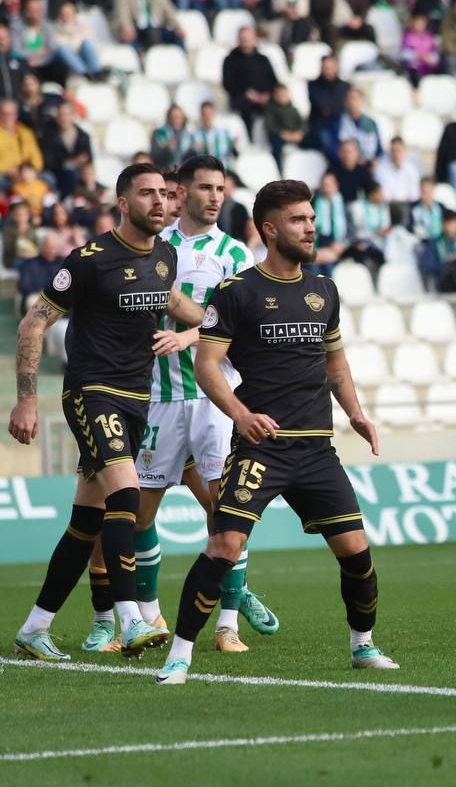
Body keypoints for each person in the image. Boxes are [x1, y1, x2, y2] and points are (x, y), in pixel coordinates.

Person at [156, 178, 395, 683]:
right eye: (298, 220)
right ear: (270, 229)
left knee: (356, 551)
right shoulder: (237, 292)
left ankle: (363, 646)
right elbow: (207, 365)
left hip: (316, 450)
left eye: (311, 219)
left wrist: (356, 413)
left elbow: (336, 364)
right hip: (260, 449)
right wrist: (241, 415)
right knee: (224, 546)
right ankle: (180, 654)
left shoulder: (323, 290)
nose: (310, 227)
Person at [10, 163, 206, 662]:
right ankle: (132, 617)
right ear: (123, 203)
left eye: (164, 193)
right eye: (147, 194)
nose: (159, 202)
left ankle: (35, 627)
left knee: (88, 520)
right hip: (91, 392)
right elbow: (33, 325)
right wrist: (27, 400)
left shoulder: (164, 255)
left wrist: (206, 324)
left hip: (136, 399)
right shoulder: (89, 261)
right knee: (127, 492)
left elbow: (174, 301)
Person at [94, 155, 278, 656]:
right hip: (156, 397)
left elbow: (240, 323)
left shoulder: (235, 252)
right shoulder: (157, 245)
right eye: (205, 187)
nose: (215, 196)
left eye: (221, 187)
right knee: (138, 514)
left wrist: (191, 335)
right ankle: (148, 617)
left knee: (227, 513)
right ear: (182, 192)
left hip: (215, 397)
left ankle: (227, 624)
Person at [222, 27, 279, 135]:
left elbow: (274, 81)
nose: (246, 41)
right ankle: (249, 141)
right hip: (242, 98)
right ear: (238, 40)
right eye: (243, 39)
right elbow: (228, 83)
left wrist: (267, 95)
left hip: (264, 99)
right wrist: (248, 94)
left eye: (248, 38)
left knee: (278, 107)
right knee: (247, 109)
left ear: (255, 39)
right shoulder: (230, 60)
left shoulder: (263, 59)